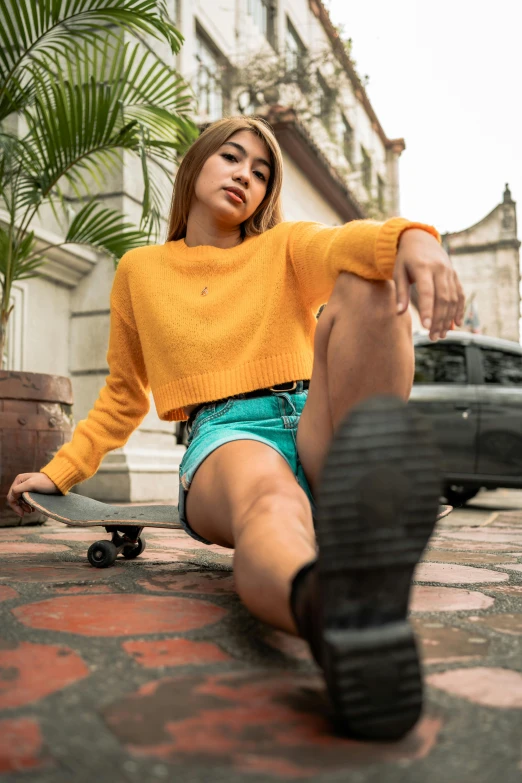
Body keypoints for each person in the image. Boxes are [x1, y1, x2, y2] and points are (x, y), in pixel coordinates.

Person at [7, 116, 464, 740]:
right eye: (232, 158)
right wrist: (60, 473)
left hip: (319, 422)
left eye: (261, 172)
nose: (246, 175)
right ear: (195, 166)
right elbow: (121, 396)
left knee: (369, 283)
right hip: (229, 436)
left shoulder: (282, 248)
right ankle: (333, 612)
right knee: (270, 502)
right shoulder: (140, 272)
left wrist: (414, 239)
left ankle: (362, 488)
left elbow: (340, 245)